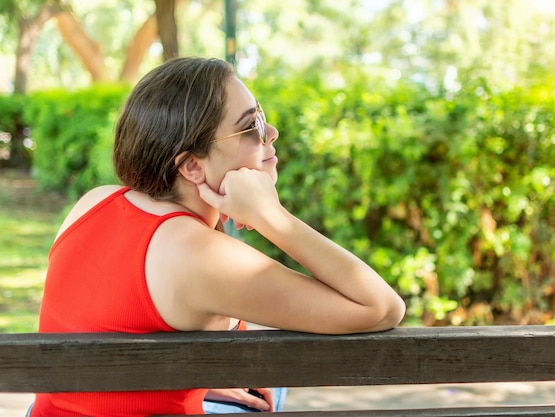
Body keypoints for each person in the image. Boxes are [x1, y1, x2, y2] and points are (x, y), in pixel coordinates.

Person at [29, 57, 406, 417]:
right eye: (251, 127)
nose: (271, 133)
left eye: (262, 117)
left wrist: (188, 378)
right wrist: (271, 216)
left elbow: (107, 326)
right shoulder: (200, 255)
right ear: (192, 165)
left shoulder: (95, 201)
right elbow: (382, 308)